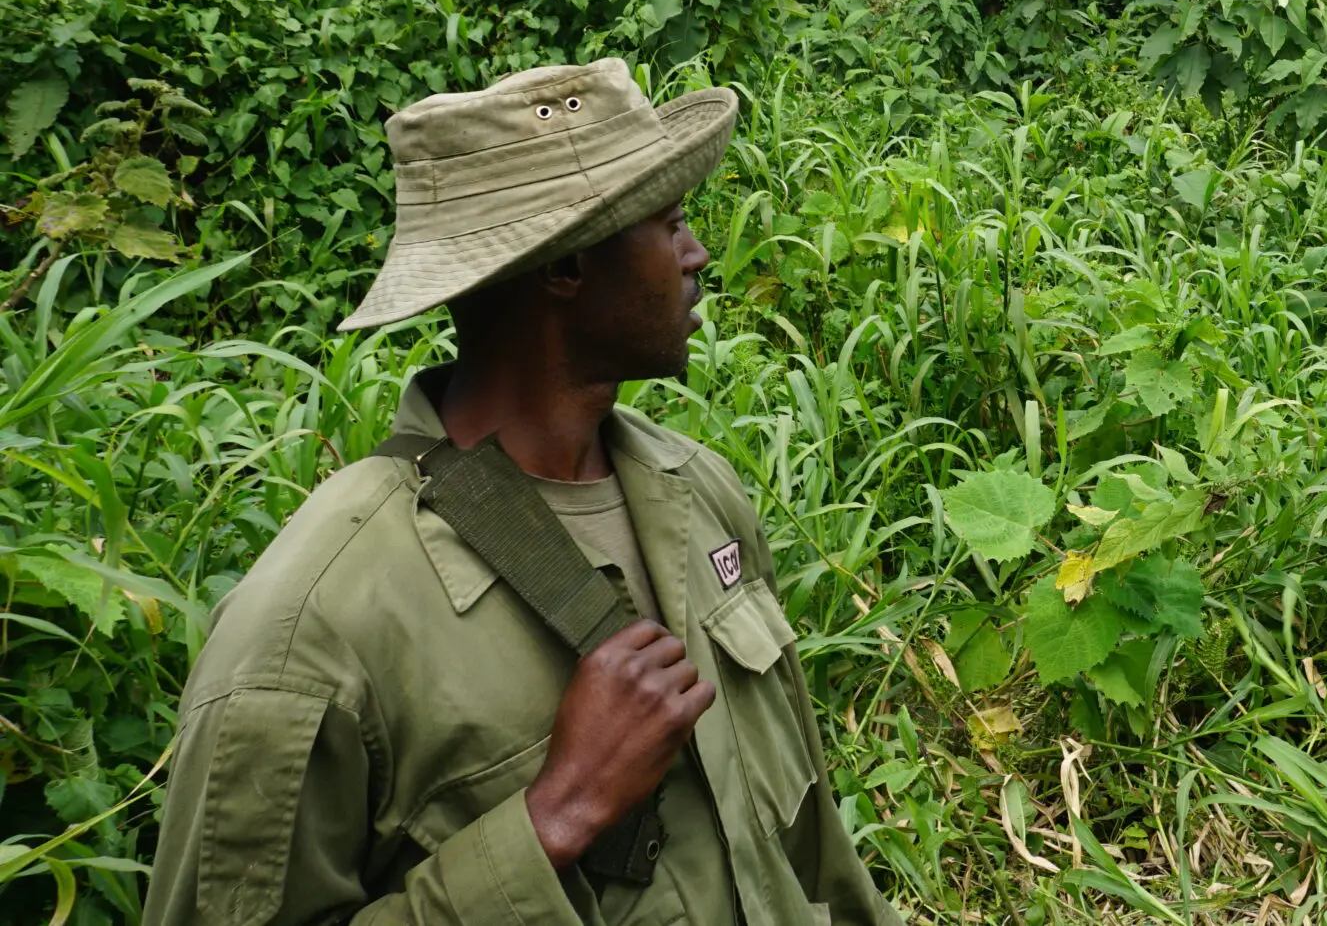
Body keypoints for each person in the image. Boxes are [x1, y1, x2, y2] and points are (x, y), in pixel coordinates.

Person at [143, 59, 904, 926]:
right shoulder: (312, 626)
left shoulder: (698, 491)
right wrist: (553, 818)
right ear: (567, 267)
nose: (697, 256)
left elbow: (811, 859)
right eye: (671, 223)